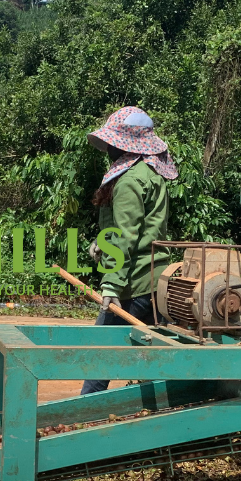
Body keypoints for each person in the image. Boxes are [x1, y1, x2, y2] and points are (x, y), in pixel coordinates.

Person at [80, 106, 178, 395]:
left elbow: (125, 237)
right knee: (150, 359)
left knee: (102, 354)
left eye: (112, 142)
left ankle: (85, 417)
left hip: (132, 283)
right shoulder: (150, 173)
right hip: (154, 280)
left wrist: (111, 285)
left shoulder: (129, 182)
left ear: (123, 145)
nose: (108, 148)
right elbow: (143, 228)